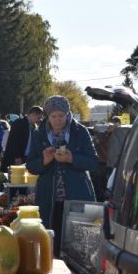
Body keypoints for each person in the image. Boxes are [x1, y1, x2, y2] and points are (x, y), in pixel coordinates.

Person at [27, 96, 98, 256]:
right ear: (47, 116)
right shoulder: (39, 134)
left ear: (68, 114)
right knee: (51, 240)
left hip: (77, 194)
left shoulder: (80, 131)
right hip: (49, 198)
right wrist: (44, 161)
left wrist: (71, 158)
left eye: (61, 115)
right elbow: (30, 165)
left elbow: (93, 162)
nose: (58, 120)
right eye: (53, 116)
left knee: (78, 244)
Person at [1, 106, 43, 170]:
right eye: (39, 117)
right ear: (33, 114)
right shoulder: (19, 123)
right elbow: (13, 141)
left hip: (26, 157)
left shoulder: (34, 126)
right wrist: (17, 156)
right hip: (16, 157)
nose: (40, 119)